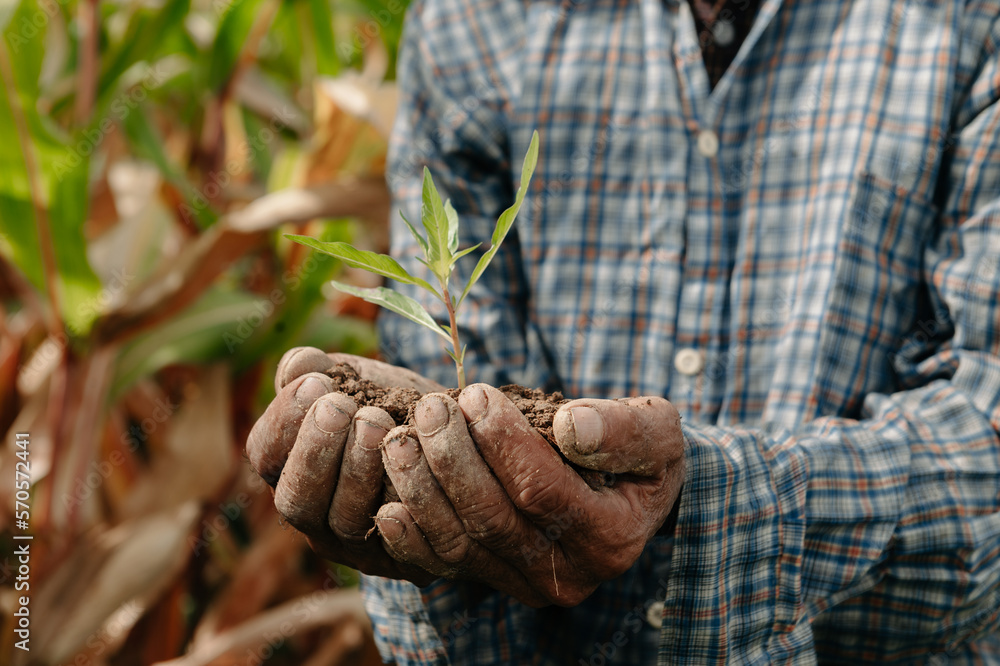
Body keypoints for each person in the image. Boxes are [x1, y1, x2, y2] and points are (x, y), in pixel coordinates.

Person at [246, 0, 1000, 661]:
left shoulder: (966, 21)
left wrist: (704, 501)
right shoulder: (474, 20)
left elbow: (981, 444)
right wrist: (444, 501)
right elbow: (456, 379)